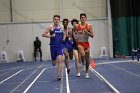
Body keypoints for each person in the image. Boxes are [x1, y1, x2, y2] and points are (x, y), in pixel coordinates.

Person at [42, 15, 64, 81]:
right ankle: (53, 60)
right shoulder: (50, 27)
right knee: (54, 63)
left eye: (57, 19)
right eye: (55, 19)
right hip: (53, 47)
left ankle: (58, 75)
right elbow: (43, 34)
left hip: (60, 46)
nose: (56, 20)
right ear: (53, 20)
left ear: (59, 20)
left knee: (60, 59)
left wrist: (65, 38)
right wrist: (50, 36)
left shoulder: (62, 27)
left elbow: (64, 34)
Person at [74, 13, 94, 79]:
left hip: (86, 43)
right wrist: (75, 37)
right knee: (82, 54)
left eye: (84, 17)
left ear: (86, 18)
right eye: (81, 17)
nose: (83, 19)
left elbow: (92, 35)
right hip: (80, 43)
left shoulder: (89, 26)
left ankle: (87, 72)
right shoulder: (77, 26)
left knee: (87, 59)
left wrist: (87, 32)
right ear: (80, 19)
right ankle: (83, 64)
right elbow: (74, 32)